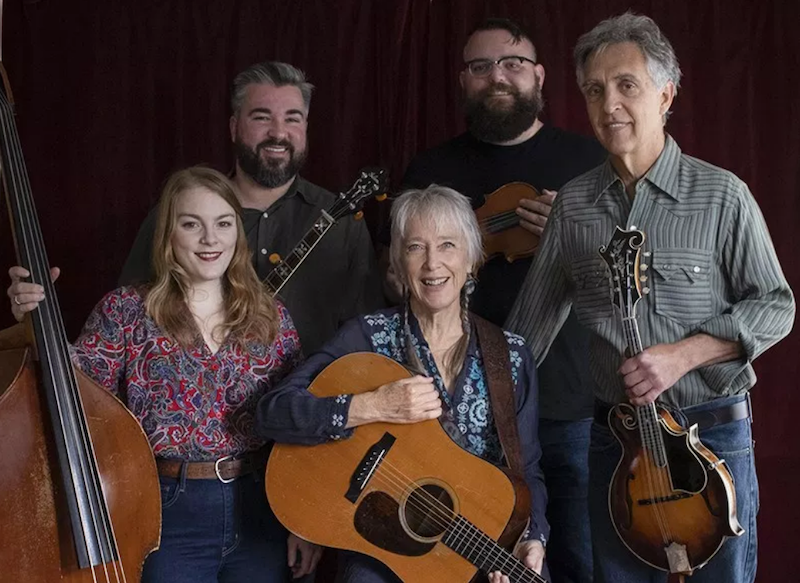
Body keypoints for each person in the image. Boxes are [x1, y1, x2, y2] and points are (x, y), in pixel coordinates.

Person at [508, 13, 795, 583]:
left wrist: (685, 354)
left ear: (666, 94)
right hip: (615, 448)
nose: (608, 103)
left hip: (711, 435)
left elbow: (777, 304)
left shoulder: (723, 195)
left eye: (626, 85)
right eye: (594, 89)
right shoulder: (573, 207)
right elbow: (523, 339)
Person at [8, 167, 322, 582]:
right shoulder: (126, 311)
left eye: (223, 223)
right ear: (168, 235)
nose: (211, 239)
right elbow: (72, 388)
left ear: (237, 233)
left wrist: (303, 521)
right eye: (192, 224)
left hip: (261, 505)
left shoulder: (269, 316)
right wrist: (31, 320)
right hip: (169, 510)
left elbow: (296, 420)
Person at [401, 17, 606, 583]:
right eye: (481, 66)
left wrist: (571, 238)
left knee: (579, 559)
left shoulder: (590, 164)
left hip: (570, 397)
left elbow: (625, 278)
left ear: (539, 77)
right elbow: (399, 283)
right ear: (463, 80)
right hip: (463, 404)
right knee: (469, 559)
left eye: (513, 63)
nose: (498, 76)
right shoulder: (430, 170)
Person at [257, 186, 549, 583]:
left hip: (479, 539)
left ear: (472, 258)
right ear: (397, 260)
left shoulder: (510, 355)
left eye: (447, 245)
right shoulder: (367, 336)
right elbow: (273, 412)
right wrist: (374, 405)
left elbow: (527, 467)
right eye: (415, 247)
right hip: (385, 545)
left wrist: (532, 538)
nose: (432, 264)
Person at [119, 61, 384, 355]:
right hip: (197, 397)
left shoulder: (344, 222)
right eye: (262, 117)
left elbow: (366, 335)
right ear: (234, 127)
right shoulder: (175, 215)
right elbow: (129, 321)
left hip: (308, 398)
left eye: (292, 119)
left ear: (306, 128)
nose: (278, 133)